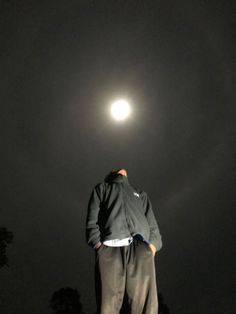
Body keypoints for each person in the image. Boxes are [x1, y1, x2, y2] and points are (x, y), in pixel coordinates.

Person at [86, 169, 162, 314]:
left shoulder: (140, 194)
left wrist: (151, 247)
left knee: (145, 305)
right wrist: (98, 244)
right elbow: (92, 220)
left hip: (140, 248)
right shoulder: (103, 189)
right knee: (108, 306)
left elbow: (153, 225)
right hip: (110, 249)